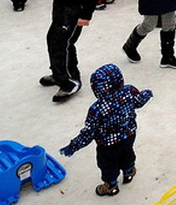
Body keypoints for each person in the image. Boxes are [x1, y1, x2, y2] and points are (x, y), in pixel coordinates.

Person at [59, 64, 153, 197]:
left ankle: (111, 185)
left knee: (108, 164)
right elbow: (138, 101)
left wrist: (73, 146)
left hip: (108, 145)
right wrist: (146, 94)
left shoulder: (97, 109)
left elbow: (89, 132)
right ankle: (129, 171)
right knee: (127, 152)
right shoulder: (129, 91)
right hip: (129, 134)